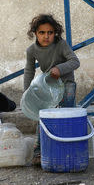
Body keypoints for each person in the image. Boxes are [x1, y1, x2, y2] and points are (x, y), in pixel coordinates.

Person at [24, 14, 80, 165]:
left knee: (65, 117)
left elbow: (75, 61)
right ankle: (39, 153)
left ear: (55, 33)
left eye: (50, 32)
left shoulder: (61, 45)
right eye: (42, 32)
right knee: (42, 118)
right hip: (48, 87)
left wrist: (59, 69)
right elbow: (29, 71)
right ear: (35, 33)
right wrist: (27, 92)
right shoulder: (31, 50)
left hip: (66, 84)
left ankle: (66, 152)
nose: (46, 36)